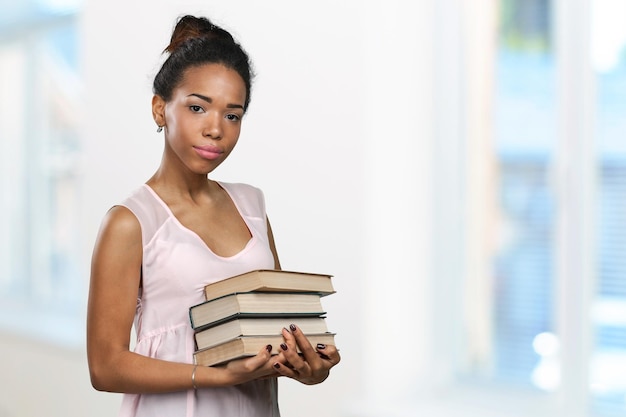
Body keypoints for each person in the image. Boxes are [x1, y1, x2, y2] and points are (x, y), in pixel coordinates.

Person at [86, 14, 340, 417]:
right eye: (197, 107)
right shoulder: (130, 222)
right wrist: (218, 375)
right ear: (159, 109)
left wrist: (308, 368)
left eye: (232, 115)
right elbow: (104, 366)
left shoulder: (252, 207)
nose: (216, 129)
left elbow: (278, 330)